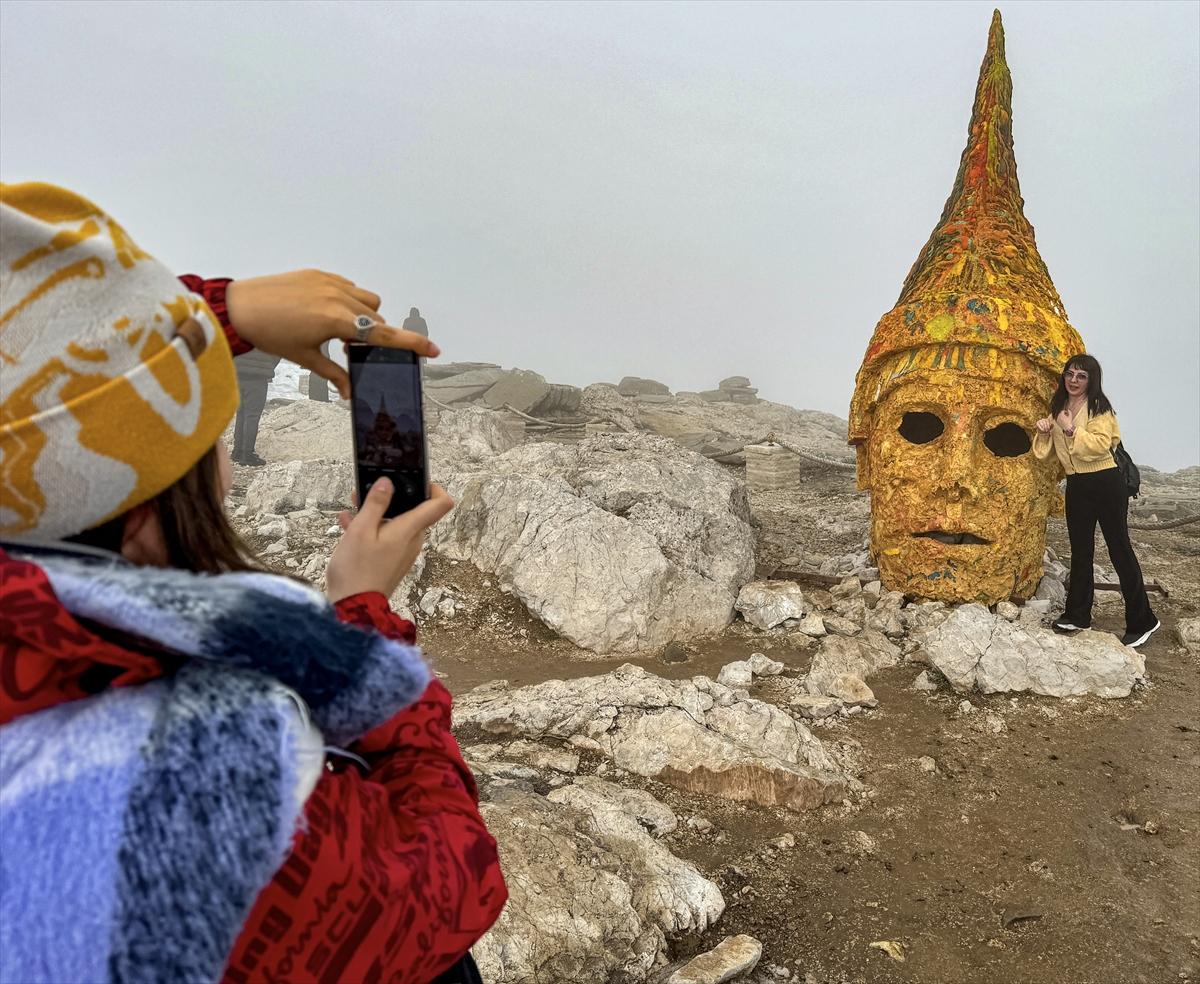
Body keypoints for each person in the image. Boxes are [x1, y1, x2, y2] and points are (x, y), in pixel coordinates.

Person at [0, 182, 505, 983]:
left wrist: (216, 313)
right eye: (209, 437)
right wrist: (362, 617)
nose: (228, 468)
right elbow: (450, 879)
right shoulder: (193, 781)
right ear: (139, 511)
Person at [1033, 354, 1160, 648]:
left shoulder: (1100, 408)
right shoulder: (1059, 409)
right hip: (1076, 485)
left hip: (1106, 482)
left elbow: (1101, 446)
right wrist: (1043, 432)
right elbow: (1048, 456)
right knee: (1081, 552)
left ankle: (1144, 620)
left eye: (1081, 376)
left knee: (1119, 549)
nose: (1074, 381)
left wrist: (1069, 429)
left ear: (1092, 380)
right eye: (1070, 374)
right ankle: (1077, 614)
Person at [231, 347, 281, 464]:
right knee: (252, 416)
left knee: (241, 413)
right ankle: (247, 455)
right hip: (257, 378)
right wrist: (267, 366)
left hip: (239, 374)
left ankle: (237, 451)